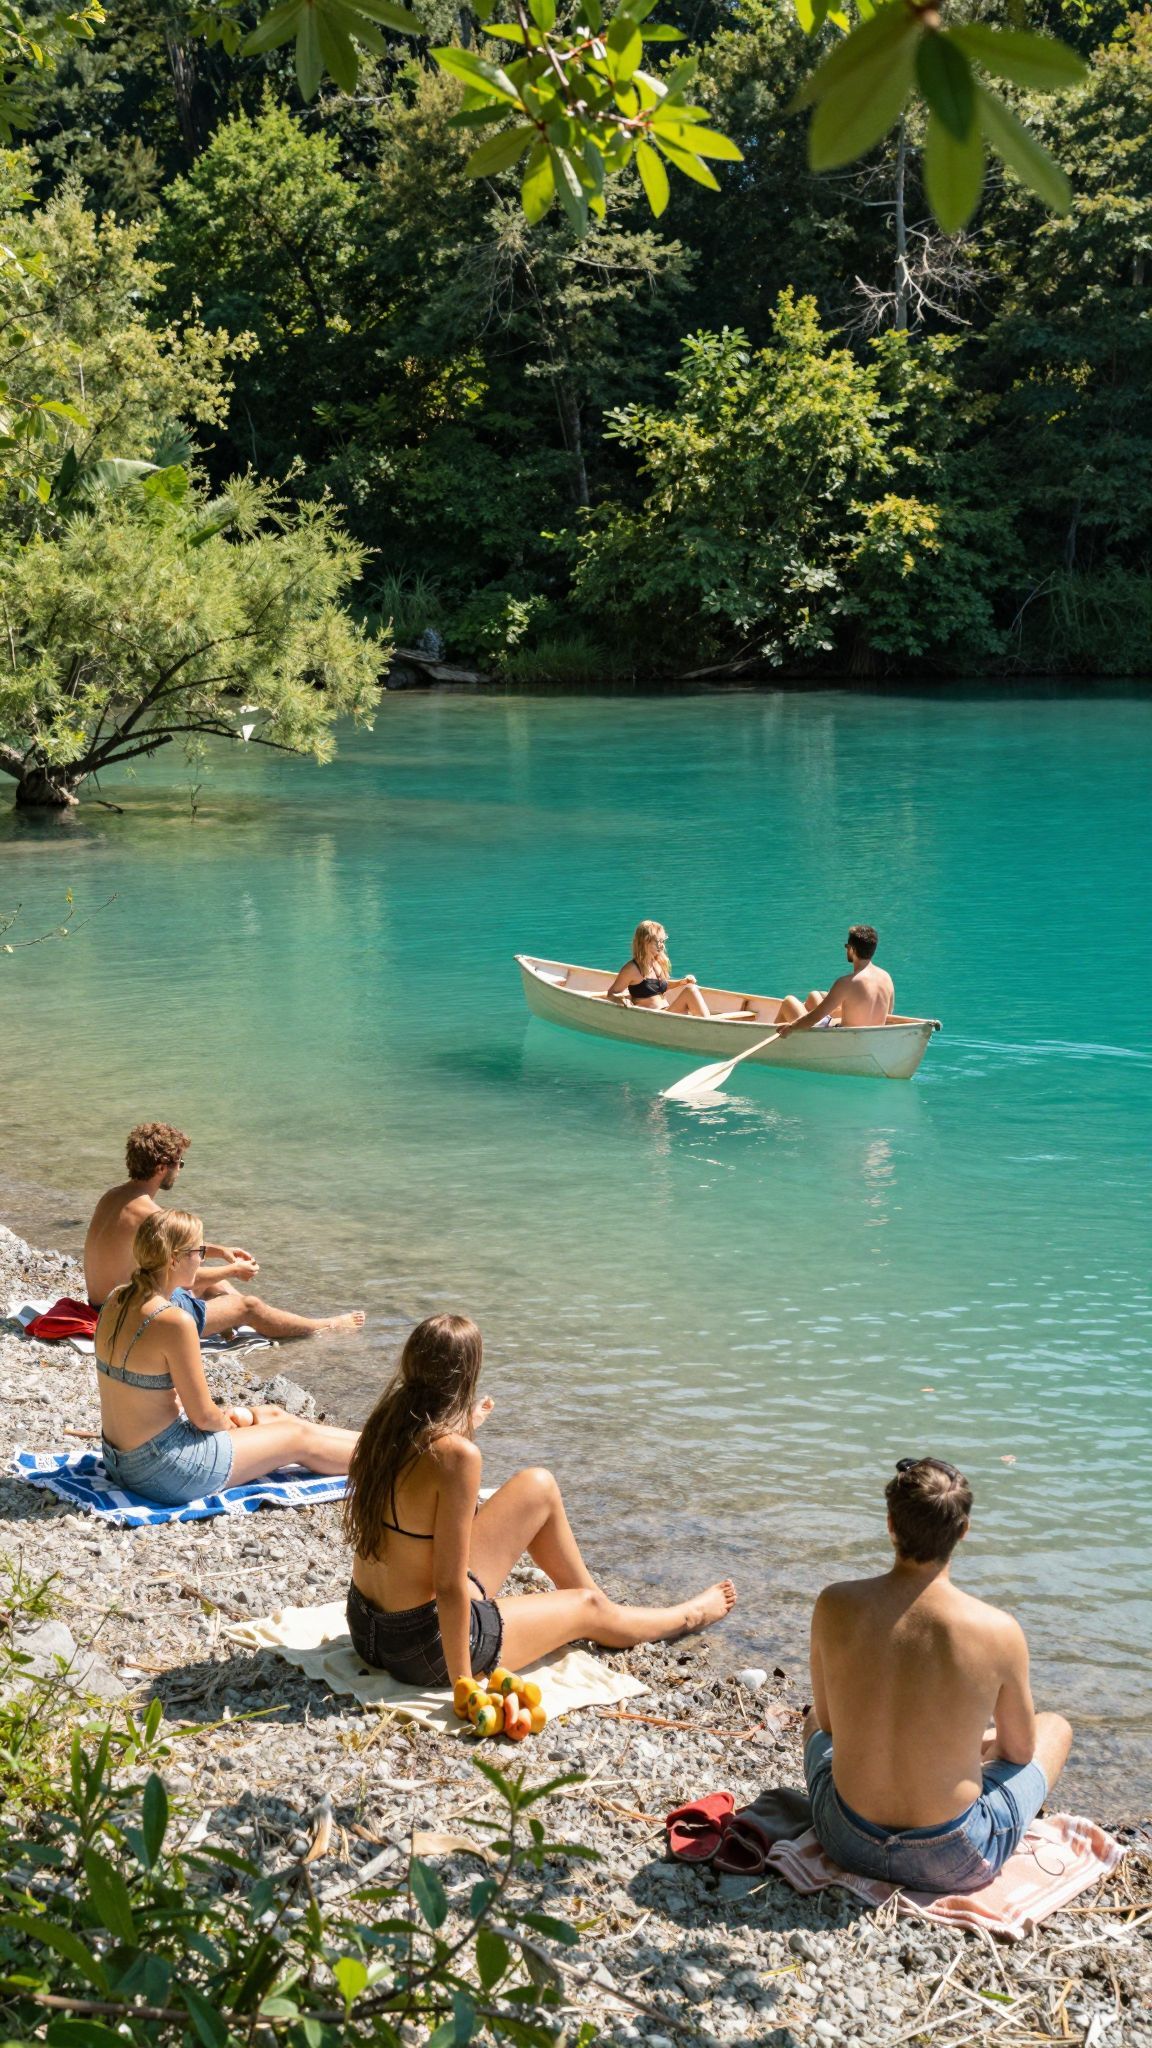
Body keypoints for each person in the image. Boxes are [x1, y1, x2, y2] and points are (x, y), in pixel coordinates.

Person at [343, 1313, 737, 1685]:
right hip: (423, 1650)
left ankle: (608, 1613)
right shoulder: (458, 1456)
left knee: (538, 1485)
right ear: (468, 1374)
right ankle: (679, 1616)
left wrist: (464, 1424)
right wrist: (463, 1684)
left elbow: (424, 1467)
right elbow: (447, 1585)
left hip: (366, 1628)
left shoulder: (386, 1423)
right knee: (586, 1608)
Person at [803, 1457, 1073, 1894]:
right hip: (951, 1857)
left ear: (891, 1524)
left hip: (847, 1840)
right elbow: (1019, 1752)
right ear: (963, 1530)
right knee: (1055, 1727)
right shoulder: (998, 1630)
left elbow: (831, 1725)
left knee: (814, 1718)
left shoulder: (834, 1604)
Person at [94, 1210, 360, 1506]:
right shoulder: (174, 1321)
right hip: (164, 1471)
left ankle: (371, 1442)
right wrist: (226, 1426)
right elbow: (203, 1417)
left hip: (120, 1460)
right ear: (173, 1259)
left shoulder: (117, 1298)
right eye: (199, 1251)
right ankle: (387, 1460)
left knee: (270, 1415)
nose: (202, 1259)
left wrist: (230, 1421)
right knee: (296, 1438)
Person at [85, 1123, 365, 1341]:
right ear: (161, 1167)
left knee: (216, 1288)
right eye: (179, 1164)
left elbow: (168, 1251)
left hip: (107, 1305)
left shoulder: (113, 1197)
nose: (179, 1170)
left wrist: (222, 1252)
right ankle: (325, 1325)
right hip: (131, 1317)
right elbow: (183, 1277)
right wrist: (234, 1270)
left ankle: (228, 1319)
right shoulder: (152, 1216)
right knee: (249, 1305)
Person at [776, 924, 894, 1033]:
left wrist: (791, 1027)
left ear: (852, 949)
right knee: (814, 996)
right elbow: (888, 1014)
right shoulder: (886, 978)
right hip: (870, 1037)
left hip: (841, 1039)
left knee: (788, 1002)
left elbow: (814, 1018)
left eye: (847, 947)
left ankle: (776, 1041)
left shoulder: (846, 983)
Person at [605, 920, 710, 1018]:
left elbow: (658, 986)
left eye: (663, 941)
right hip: (652, 1017)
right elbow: (611, 994)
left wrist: (681, 982)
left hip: (666, 1012)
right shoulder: (631, 969)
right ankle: (708, 1024)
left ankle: (707, 1023)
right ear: (646, 941)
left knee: (691, 987)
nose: (662, 946)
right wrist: (621, 1000)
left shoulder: (657, 963)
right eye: (659, 941)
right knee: (690, 990)